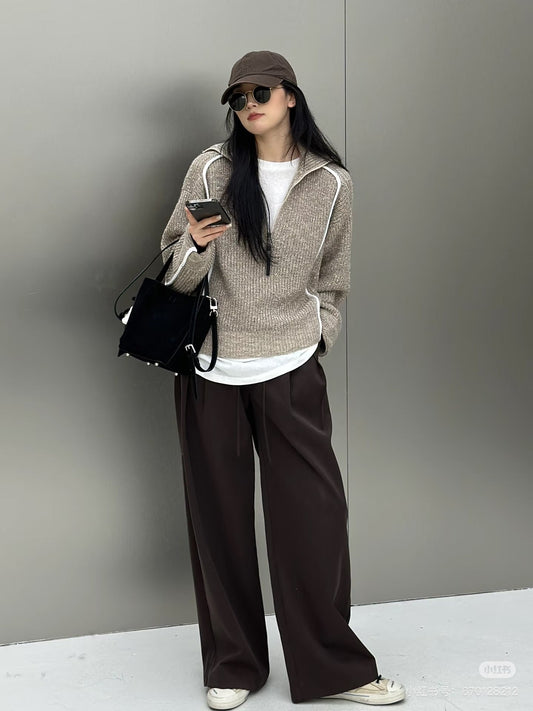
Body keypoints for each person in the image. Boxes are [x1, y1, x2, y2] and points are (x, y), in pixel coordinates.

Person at [160, 51, 406, 709]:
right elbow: (171, 273)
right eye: (237, 98)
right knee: (219, 522)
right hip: (211, 368)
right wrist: (196, 244)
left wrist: (317, 335)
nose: (248, 104)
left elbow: (334, 278)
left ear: (290, 95)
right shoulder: (210, 169)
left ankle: (333, 667)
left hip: (291, 367)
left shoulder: (331, 183)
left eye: (259, 92)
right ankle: (234, 664)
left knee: (314, 518)